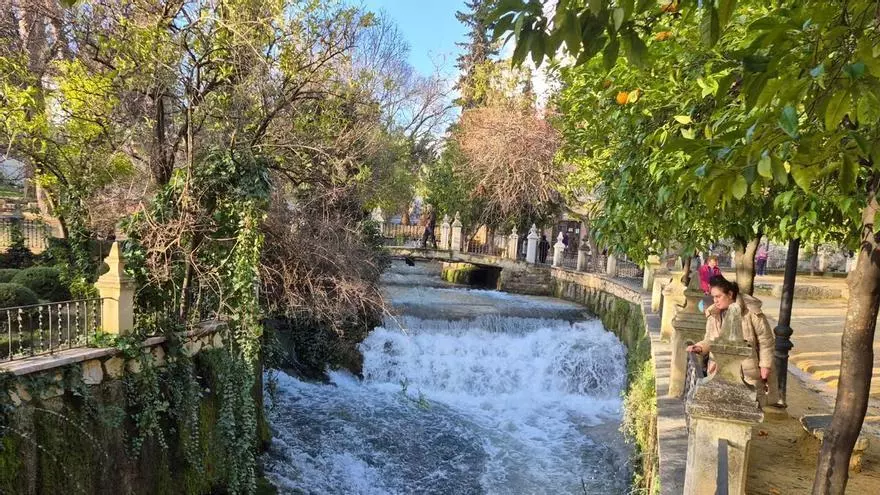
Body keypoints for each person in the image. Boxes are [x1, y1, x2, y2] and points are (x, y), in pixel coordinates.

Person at [686, 276, 774, 388]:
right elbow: (710, 339)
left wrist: (765, 366)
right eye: (713, 297)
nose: (715, 300)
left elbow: (766, 340)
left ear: (730, 294)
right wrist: (700, 347)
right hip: (718, 369)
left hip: (748, 372)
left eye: (718, 296)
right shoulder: (713, 314)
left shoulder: (751, 312)